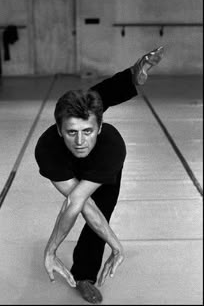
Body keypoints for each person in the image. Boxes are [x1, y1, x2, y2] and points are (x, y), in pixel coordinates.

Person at [35, 46, 164, 304]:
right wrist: (50, 251)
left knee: (101, 208)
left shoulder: (111, 146)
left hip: (102, 161)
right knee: (83, 203)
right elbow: (75, 203)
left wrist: (135, 73)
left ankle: (84, 275)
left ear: (100, 128)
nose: (80, 141)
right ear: (59, 130)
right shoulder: (48, 149)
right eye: (72, 132)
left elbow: (100, 96)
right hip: (65, 161)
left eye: (88, 131)